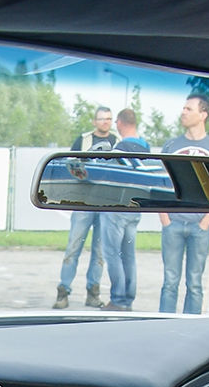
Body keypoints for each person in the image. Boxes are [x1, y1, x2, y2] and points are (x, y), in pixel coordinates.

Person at [158, 95, 209, 314]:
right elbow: (159, 182)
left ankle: (192, 326)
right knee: (170, 282)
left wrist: (206, 221)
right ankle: (164, 326)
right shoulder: (171, 145)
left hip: (200, 226)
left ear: (203, 114)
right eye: (183, 108)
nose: (183, 112)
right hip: (173, 223)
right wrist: (165, 219)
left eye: (189, 109)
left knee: (195, 284)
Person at [53, 107, 118, 309]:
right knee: (73, 247)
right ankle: (63, 292)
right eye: (101, 119)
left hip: (106, 203)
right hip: (83, 201)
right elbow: (69, 164)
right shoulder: (83, 140)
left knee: (100, 252)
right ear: (94, 121)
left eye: (108, 119)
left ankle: (93, 293)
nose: (105, 122)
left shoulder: (118, 141)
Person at [101, 108, 150, 311]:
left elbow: (110, 178)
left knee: (112, 254)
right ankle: (128, 299)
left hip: (117, 207)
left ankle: (118, 300)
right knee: (129, 256)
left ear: (120, 123)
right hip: (136, 207)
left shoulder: (119, 149)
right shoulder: (146, 147)